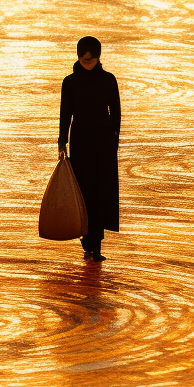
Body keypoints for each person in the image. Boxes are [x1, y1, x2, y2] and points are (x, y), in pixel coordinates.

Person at [58, 36, 121, 262]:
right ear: (78, 57)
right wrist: (61, 143)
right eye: (84, 60)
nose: (88, 63)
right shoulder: (70, 82)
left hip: (104, 142)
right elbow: (65, 113)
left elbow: (116, 113)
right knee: (84, 192)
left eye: (91, 59)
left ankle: (97, 246)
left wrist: (114, 141)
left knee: (101, 193)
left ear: (98, 58)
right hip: (81, 140)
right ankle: (87, 244)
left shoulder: (108, 80)